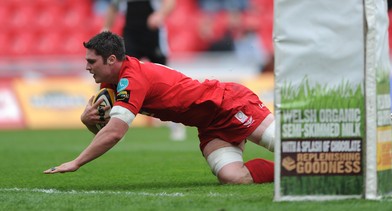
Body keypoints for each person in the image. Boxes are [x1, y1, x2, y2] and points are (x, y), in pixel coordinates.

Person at [43, 31, 275, 184]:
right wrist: (89, 122)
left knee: (288, 145)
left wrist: (76, 162)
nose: (86, 67)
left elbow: (114, 134)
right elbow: (109, 131)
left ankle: (304, 164)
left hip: (229, 105)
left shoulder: (131, 80)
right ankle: (290, 171)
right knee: (232, 178)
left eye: (91, 61)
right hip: (210, 126)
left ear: (111, 60)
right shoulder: (111, 84)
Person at [103, 0, 186, 141]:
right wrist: (106, 28)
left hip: (153, 34)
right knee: (122, 78)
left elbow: (170, 2)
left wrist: (160, 14)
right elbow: (113, 6)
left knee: (166, 80)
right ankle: (116, 126)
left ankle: (176, 124)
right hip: (130, 35)